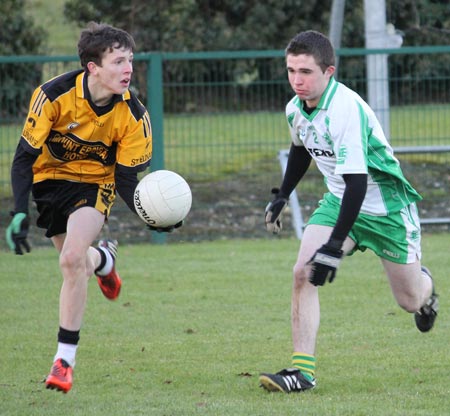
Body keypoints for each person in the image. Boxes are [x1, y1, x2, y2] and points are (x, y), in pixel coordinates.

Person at [260, 30, 438, 393]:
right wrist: (282, 195)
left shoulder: (345, 110)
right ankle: (302, 373)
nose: (297, 80)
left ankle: (427, 290)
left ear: (329, 72)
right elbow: (301, 148)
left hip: (386, 210)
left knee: (409, 301)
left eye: (306, 71)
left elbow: (359, 183)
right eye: (291, 70)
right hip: (340, 201)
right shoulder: (295, 108)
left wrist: (333, 247)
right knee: (303, 273)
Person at [5, 22, 178, 393]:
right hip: (48, 181)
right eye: (118, 61)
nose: (128, 68)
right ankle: (105, 262)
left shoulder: (134, 115)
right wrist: (19, 211)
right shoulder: (53, 96)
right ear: (93, 68)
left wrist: (150, 216)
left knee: (70, 260)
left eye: (130, 60)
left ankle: (64, 361)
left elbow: (128, 182)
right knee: (79, 265)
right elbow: (23, 160)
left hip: (95, 184)